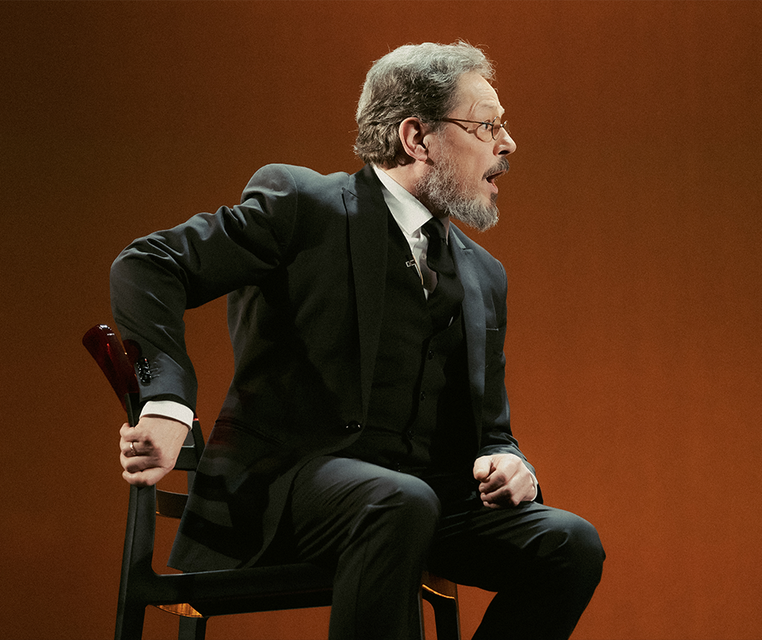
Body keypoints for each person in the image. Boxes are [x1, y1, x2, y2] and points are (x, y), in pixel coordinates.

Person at [110, 41, 604, 640]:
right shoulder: (304, 205)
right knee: (399, 501)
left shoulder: (483, 273)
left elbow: (490, 428)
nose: (508, 144)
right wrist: (165, 401)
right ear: (416, 138)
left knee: (569, 544)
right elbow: (149, 264)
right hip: (288, 489)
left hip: (425, 500)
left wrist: (511, 462)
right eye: (487, 126)